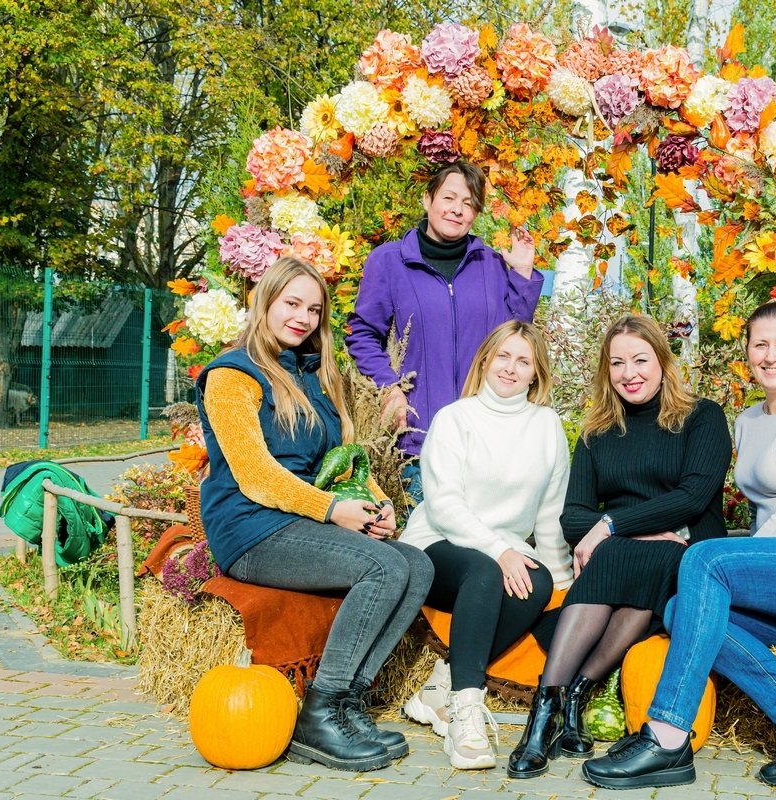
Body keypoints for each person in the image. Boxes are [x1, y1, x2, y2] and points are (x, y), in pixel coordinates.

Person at [582, 301, 776, 790]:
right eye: (760, 345)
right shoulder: (749, 420)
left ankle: (667, 734)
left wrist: (710, 557)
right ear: (747, 352)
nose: (771, 356)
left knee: (704, 562)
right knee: (680, 610)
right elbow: (763, 522)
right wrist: (696, 547)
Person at [196, 256, 433, 773]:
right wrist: (332, 509)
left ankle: (349, 705)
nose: (303, 318)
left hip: (303, 521)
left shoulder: (314, 375)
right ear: (265, 301)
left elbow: (342, 457)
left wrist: (376, 504)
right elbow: (256, 475)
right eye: (292, 304)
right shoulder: (232, 375)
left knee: (417, 564)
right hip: (251, 528)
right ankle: (318, 715)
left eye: (314, 309)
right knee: (383, 567)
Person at [508, 314, 732, 779]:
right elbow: (572, 517)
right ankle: (552, 707)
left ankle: (563, 701)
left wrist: (611, 525)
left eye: (640, 360)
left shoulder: (701, 417)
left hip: (688, 547)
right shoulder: (597, 432)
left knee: (641, 553)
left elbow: (693, 498)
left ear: (662, 361)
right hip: (624, 551)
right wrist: (621, 530)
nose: (629, 373)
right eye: (617, 363)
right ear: (605, 370)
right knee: (618, 553)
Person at [398, 321, 574, 770]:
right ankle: (466, 712)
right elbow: (445, 505)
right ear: (486, 360)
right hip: (437, 543)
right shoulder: (456, 418)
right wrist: (499, 550)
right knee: (485, 571)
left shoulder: (546, 426)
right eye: (503, 356)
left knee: (536, 586)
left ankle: (440, 683)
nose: (511, 368)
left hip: (502, 551)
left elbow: (550, 513)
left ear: (536, 373)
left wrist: (562, 581)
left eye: (523, 361)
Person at [345, 160, 544, 504]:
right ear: (428, 199)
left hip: (484, 440)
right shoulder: (389, 261)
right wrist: (390, 386)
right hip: (419, 443)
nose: (457, 209)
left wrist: (523, 271)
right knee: (425, 534)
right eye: (449, 198)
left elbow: (514, 337)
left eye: (468, 203)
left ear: (476, 213)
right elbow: (362, 333)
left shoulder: (491, 265)